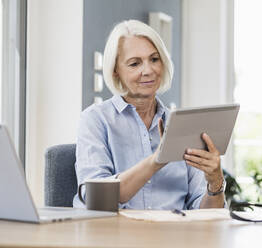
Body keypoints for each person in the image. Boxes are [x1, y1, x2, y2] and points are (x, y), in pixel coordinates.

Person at [73, 20, 225, 210]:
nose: (148, 70)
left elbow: (206, 217)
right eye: (135, 63)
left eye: (154, 59)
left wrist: (215, 183)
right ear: (115, 72)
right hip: (114, 235)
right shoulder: (95, 120)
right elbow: (94, 198)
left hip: (173, 236)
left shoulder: (182, 125)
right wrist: (155, 161)